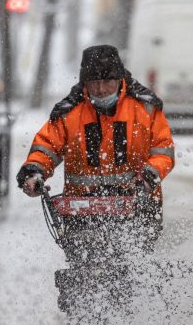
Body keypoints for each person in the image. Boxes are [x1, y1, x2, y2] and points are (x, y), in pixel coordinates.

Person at [16, 44, 175, 245]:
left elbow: (163, 150)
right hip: (81, 210)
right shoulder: (68, 113)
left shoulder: (146, 108)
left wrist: (149, 174)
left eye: (106, 82)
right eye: (94, 83)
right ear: (84, 83)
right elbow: (47, 147)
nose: (100, 90)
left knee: (134, 260)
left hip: (138, 205)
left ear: (119, 79)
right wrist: (34, 171)